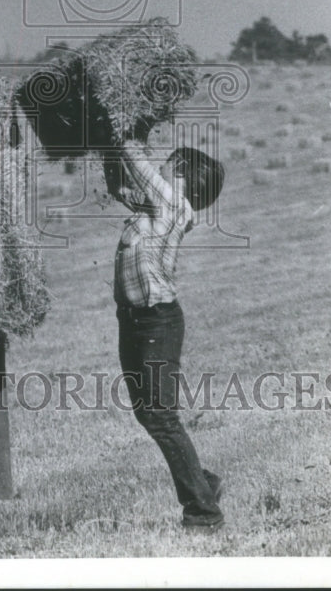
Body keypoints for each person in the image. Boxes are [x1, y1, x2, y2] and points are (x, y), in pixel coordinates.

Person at [104, 130, 226, 530]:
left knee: (159, 414)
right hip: (135, 319)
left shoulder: (172, 202)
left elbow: (133, 161)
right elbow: (120, 182)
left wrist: (115, 127)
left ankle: (203, 512)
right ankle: (203, 482)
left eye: (168, 165)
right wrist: (106, 150)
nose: (159, 168)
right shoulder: (163, 205)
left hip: (158, 320)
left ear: (182, 176)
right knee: (148, 413)